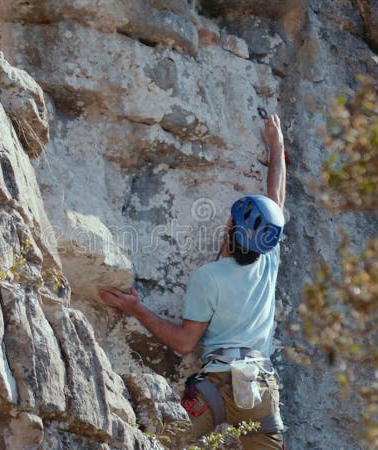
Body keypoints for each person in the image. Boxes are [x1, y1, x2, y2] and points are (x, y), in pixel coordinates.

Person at [98, 114, 288, 450]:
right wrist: (277, 145)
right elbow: (276, 197)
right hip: (260, 388)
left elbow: (185, 343)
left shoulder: (209, 277)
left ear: (230, 231)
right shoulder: (269, 260)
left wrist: (136, 309)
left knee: (167, 442)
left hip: (215, 385)